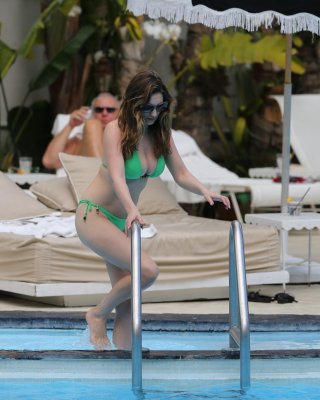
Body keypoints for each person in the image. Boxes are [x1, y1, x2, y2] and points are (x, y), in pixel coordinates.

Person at [75, 70, 231, 350]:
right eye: (148, 107)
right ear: (133, 103)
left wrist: (206, 191)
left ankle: (124, 363)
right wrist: (133, 208)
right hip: (95, 215)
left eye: (160, 107)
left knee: (129, 301)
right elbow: (117, 177)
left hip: (122, 219)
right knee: (147, 271)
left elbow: (181, 174)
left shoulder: (161, 132)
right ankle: (97, 313)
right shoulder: (116, 130)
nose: (154, 113)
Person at [42, 93, 120, 171]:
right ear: (92, 113)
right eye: (99, 110)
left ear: (119, 113)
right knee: (92, 125)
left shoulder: (126, 138)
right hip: (96, 180)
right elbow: (49, 161)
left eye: (110, 110)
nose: (104, 113)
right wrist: (70, 125)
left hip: (116, 179)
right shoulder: (80, 141)